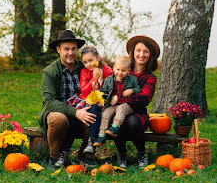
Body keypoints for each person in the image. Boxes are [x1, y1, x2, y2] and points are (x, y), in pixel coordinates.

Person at [37, 30, 98, 169]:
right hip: (58, 109)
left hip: (81, 108)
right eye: (66, 49)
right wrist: (75, 112)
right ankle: (55, 157)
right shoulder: (50, 71)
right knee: (58, 119)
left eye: (73, 49)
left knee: (95, 115)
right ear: (58, 50)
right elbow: (50, 101)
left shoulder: (83, 67)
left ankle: (84, 155)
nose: (70, 53)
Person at [54, 46, 113, 167]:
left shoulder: (108, 71)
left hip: (102, 103)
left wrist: (100, 82)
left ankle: (91, 143)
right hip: (85, 100)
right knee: (75, 120)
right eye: (85, 62)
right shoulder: (84, 72)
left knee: (95, 110)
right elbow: (84, 91)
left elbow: (111, 89)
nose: (88, 64)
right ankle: (64, 153)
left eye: (91, 60)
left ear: (98, 58)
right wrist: (93, 79)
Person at [113, 35, 160, 169]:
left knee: (131, 121)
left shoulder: (150, 78)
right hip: (119, 111)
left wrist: (119, 98)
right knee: (116, 119)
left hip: (139, 115)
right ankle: (122, 154)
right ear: (133, 52)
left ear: (150, 55)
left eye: (145, 51)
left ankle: (141, 152)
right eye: (138, 50)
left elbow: (143, 99)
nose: (141, 54)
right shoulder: (124, 71)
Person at [93, 55, 141, 146]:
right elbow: (104, 92)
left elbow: (138, 89)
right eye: (118, 69)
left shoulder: (132, 79)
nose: (120, 73)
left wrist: (132, 90)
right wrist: (97, 89)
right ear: (114, 68)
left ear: (128, 71)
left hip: (126, 105)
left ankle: (115, 127)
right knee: (105, 114)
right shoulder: (108, 80)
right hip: (112, 105)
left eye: (123, 70)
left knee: (121, 109)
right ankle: (101, 136)